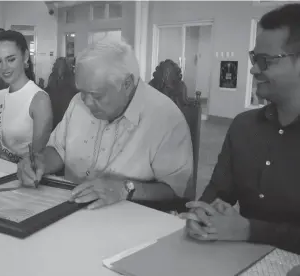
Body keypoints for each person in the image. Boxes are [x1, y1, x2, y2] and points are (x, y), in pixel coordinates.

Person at [17, 38, 193, 210]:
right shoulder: (79, 101)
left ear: (127, 84)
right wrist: (40, 163)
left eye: (97, 95)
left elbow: (176, 191)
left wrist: (125, 189)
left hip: (131, 220)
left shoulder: (164, 117)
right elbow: (58, 150)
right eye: (82, 92)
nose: (86, 101)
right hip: (71, 208)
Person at [181, 3, 300, 254]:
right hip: (233, 258)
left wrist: (249, 230)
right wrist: (202, 215)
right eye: (254, 58)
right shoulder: (244, 126)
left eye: (265, 61)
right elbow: (216, 195)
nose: (254, 69)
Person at [0, 30, 53, 163]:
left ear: (25, 56)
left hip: (25, 175)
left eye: (11, 59)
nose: (4, 67)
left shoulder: (39, 99)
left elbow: (38, 157)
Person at [46, 57, 79, 129]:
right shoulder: (52, 76)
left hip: (65, 107)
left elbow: (75, 91)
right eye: (58, 65)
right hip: (55, 107)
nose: (60, 67)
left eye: (61, 65)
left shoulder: (71, 77)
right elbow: (49, 90)